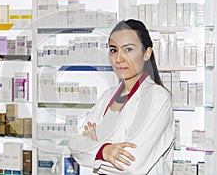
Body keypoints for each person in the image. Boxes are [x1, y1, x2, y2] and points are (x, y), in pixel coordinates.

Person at [68, 19, 175, 174]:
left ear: (147, 53)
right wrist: (105, 150)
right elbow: (74, 143)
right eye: (113, 50)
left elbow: (130, 165)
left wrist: (95, 144)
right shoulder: (107, 96)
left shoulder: (158, 98)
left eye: (128, 49)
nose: (118, 58)